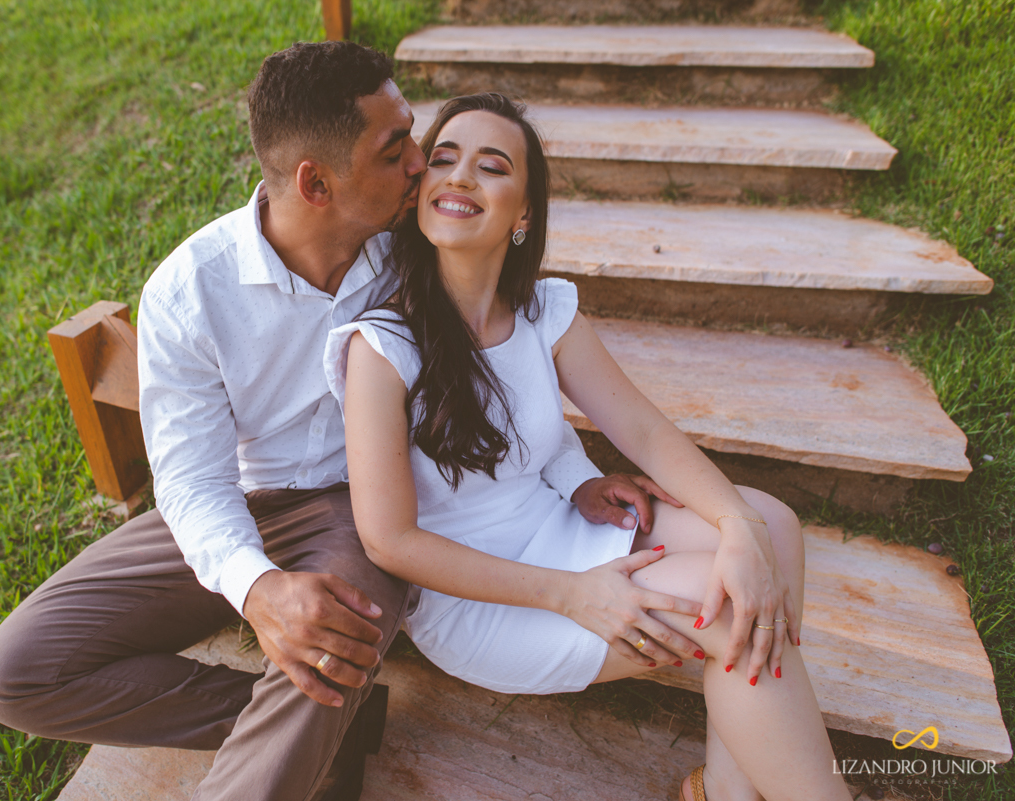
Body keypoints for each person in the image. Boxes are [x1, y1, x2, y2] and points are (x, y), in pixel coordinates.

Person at [0, 44, 677, 801]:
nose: (422, 165)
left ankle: (296, 740)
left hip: (365, 512)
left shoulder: (420, 245)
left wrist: (573, 475)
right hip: (239, 502)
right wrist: (257, 588)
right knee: (16, 674)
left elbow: (512, 364)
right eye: (394, 150)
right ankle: (322, 725)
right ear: (316, 183)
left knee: (328, 646)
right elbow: (192, 483)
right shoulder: (191, 292)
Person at [326, 93, 853, 801]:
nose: (459, 177)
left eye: (492, 166)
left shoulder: (543, 312)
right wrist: (573, 594)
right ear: (420, 191)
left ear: (524, 214)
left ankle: (725, 789)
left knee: (772, 527)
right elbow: (389, 541)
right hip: (484, 597)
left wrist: (734, 522)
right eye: (443, 159)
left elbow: (644, 431)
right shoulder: (383, 345)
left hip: (559, 528)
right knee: (725, 608)